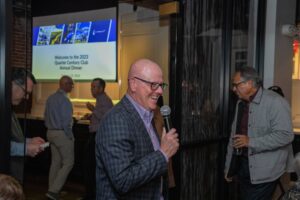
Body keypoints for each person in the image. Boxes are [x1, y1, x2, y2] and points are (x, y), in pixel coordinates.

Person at [95, 58, 179, 199]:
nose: (159, 91)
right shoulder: (116, 120)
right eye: (153, 84)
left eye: (160, 85)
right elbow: (123, 180)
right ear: (133, 84)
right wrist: (163, 154)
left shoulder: (147, 115)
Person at [224, 67, 294, 200]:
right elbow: (233, 138)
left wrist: (251, 141)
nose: (233, 89)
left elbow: (286, 135)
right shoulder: (240, 104)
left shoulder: (275, 102)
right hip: (243, 168)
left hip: (265, 172)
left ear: (249, 83)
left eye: (236, 85)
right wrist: (229, 168)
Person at [11, 67, 46, 183]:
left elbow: (8, 138)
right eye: (25, 92)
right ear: (12, 84)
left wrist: (28, 141)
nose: (26, 97)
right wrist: (25, 148)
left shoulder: (9, 108)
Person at [81, 78, 113, 200]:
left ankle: (92, 195)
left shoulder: (105, 100)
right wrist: (91, 116)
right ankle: (91, 194)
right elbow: (100, 116)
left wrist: (93, 110)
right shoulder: (100, 100)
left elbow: (107, 118)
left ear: (101, 88)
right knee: (89, 166)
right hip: (95, 135)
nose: (92, 89)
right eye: (91, 87)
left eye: (94, 87)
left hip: (98, 137)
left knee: (91, 166)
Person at [44, 76, 75, 200]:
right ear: (65, 84)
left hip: (50, 132)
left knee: (55, 162)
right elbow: (66, 122)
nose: (72, 87)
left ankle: (52, 189)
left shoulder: (50, 98)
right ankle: (54, 191)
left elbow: (45, 116)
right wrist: (70, 136)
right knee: (69, 163)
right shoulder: (65, 101)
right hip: (62, 134)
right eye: (71, 85)